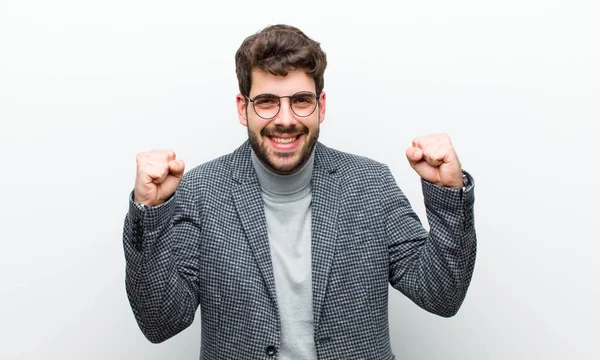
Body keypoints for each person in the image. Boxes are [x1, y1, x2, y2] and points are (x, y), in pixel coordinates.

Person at [123, 24, 477, 360]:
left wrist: (448, 193)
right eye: (266, 101)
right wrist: (150, 214)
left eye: (301, 100)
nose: (285, 119)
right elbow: (161, 322)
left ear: (320, 106)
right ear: (242, 109)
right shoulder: (200, 191)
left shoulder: (372, 183)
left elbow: (441, 294)